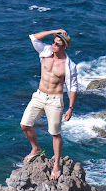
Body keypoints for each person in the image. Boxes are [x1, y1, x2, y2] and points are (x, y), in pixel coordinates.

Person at [20, 29, 78, 180]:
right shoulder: (45, 51)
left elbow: (72, 87)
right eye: (53, 42)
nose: (53, 45)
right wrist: (55, 31)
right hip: (39, 96)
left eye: (57, 44)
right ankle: (36, 148)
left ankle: (56, 164)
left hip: (54, 99)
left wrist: (71, 108)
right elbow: (33, 37)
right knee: (25, 125)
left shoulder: (69, 65)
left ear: (64, 47)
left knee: (55, 133)